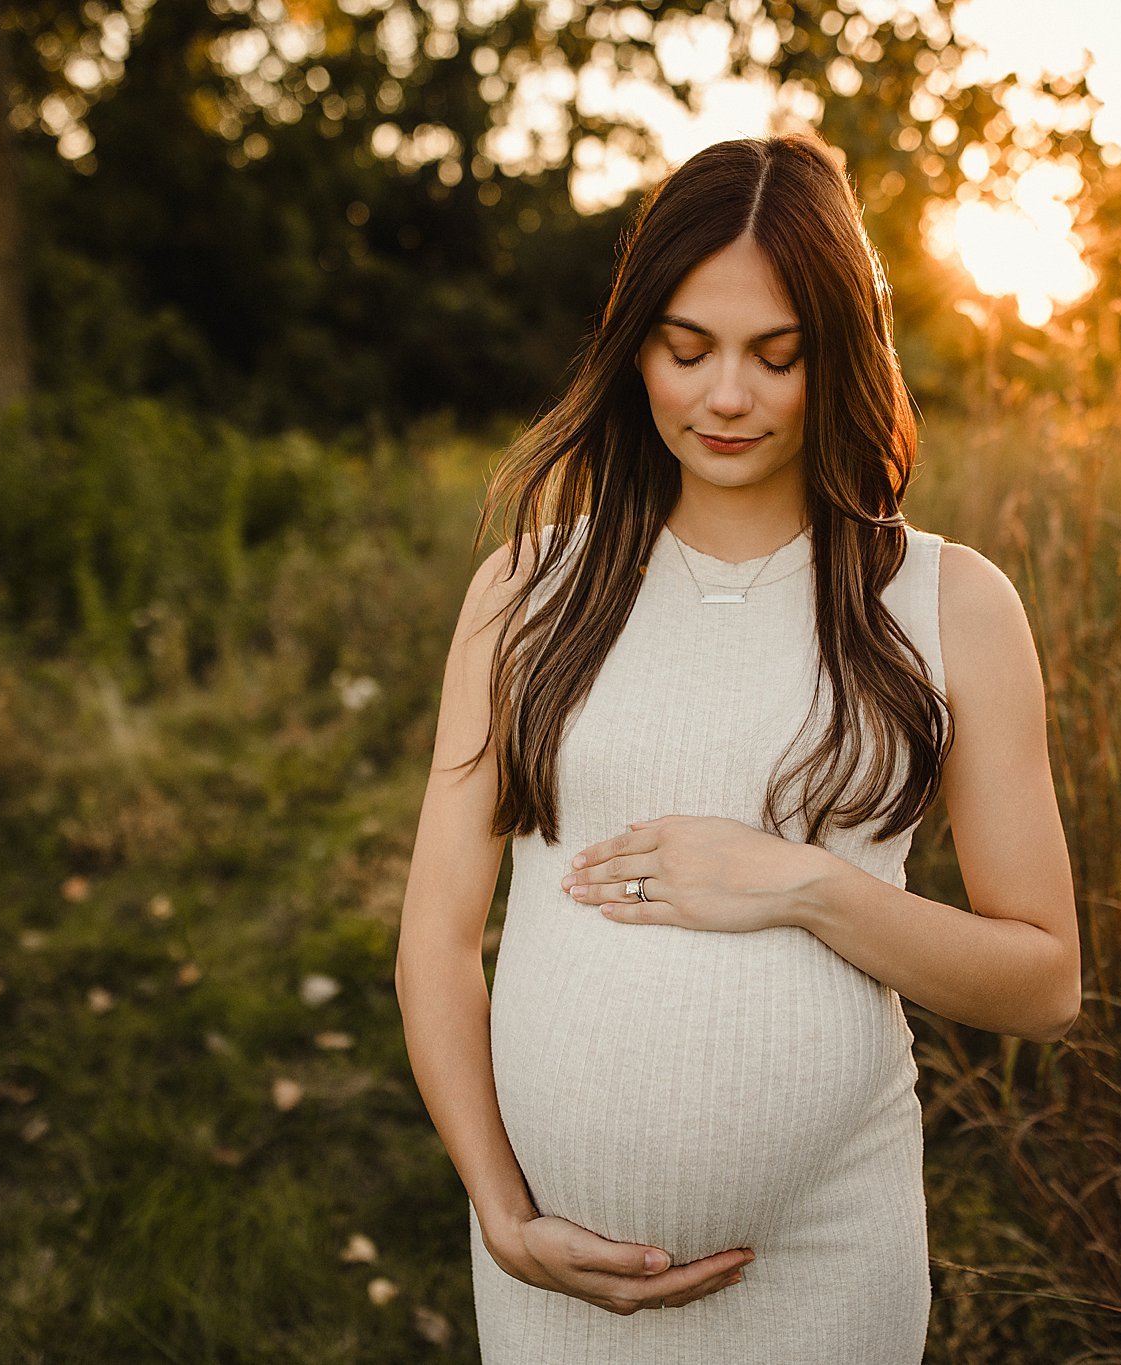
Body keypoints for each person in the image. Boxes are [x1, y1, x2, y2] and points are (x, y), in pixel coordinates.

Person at [392, 130, 1080, 1363]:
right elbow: (437, 938)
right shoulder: (524, 591)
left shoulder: (946, 604)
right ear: (633, 345)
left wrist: (805, 884)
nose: (724, 397)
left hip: (824, 1269)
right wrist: (500, 1215)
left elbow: (1042, 983)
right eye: (686, 346)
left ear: (842, 357)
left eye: (777, 356)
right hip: (551, 1278)